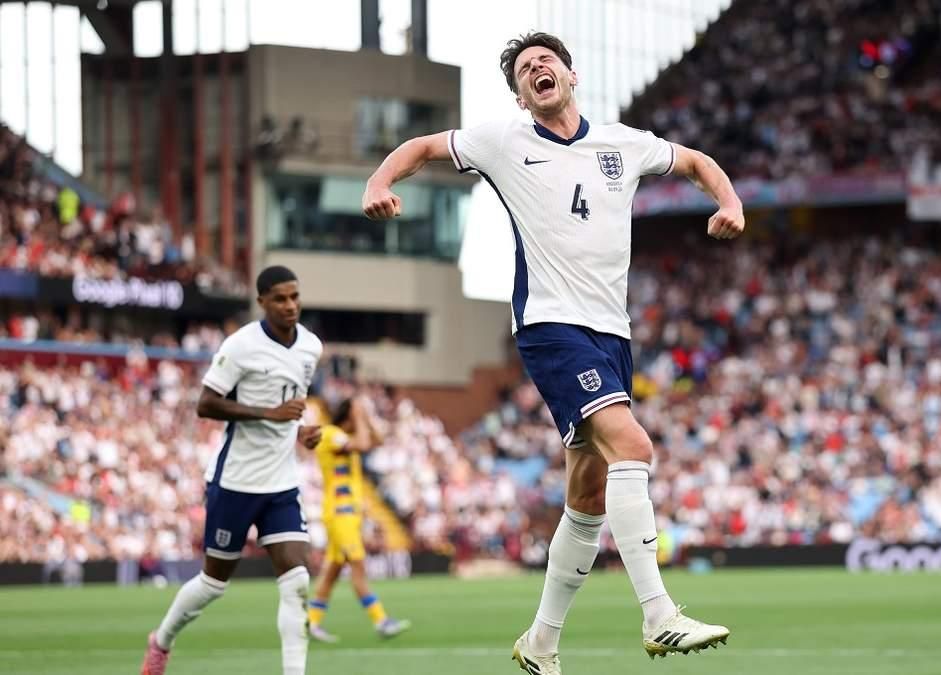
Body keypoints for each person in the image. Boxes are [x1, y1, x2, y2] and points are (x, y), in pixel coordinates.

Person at [362, 30, 743, 675]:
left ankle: (540, 643)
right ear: (519, 94)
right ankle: (659, 615)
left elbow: (697, 161)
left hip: (611, 332)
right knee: (634, 448)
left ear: (571, 75)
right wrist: (379, 179)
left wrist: (729, 201)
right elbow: (425, 146)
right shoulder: (503, 143)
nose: (536, 70)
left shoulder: (622, 143)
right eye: (524, 70)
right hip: (550, 324)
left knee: (588, 498)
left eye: (546, 62)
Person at [141, 266, 324, 675]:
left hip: (282, 483)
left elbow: (288, 404)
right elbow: (206, 404)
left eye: (295, 296)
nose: (290, 305)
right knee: (212, 584)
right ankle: (161, 641)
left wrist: (301, 432)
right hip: (236, 481)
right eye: (280, 298)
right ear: (261, 302)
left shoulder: (311, 347)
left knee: (297, 583)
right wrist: (270, 414)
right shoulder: (241, 346)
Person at [308, 396, 410, 642]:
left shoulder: (345, 438)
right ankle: (381, 620)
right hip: (340, 513)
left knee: (332, 572)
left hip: (348, 514)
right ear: (348, 417)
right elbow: (364, 444)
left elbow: (377, 441)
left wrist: (364, 416)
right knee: (358, 568)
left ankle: (310, 622)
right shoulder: (330, 434)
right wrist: (359, 415)